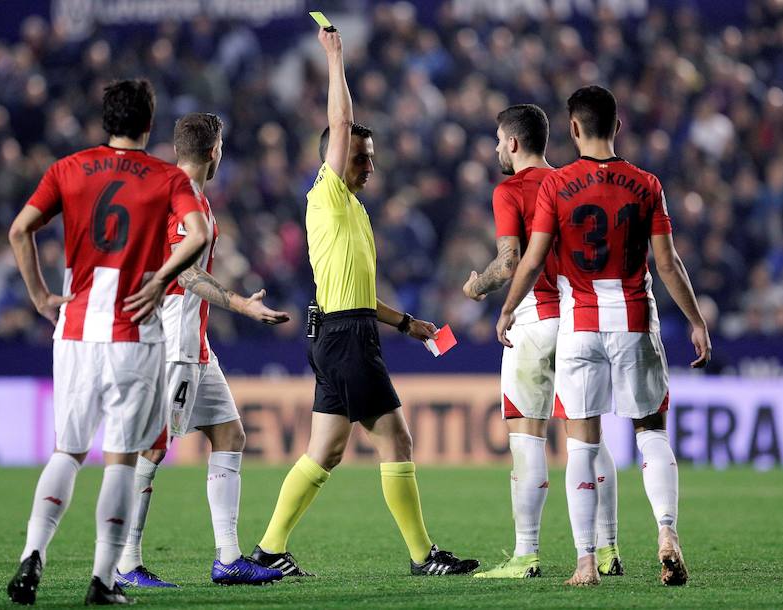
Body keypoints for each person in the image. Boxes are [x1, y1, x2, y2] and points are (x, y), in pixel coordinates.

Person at [247, 26, 478, 578]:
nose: (369, 164)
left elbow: (356, 292)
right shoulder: (326, 193)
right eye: (362, 157)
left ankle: (268, 551)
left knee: (324, 450)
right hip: (344, 338)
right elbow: (342, 122)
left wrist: (408, 324)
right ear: (336, 156)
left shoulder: (353, 208)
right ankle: (424, 557)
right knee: (395, 436)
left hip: (342, 329)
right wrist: (335, 57)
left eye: (371, 157)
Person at [6, 79, 210, 605]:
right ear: (148, 123)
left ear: (105, 121)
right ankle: (102, 579)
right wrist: (162, 277)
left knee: (68, 451)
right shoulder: (166, 177)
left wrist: (39, 296)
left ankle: (33, 553)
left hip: (73, 330)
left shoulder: (66, 169)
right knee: (120, 460)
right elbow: (199, 235)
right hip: (135, 334)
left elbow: (19, 229)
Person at [496, 85, 711, 586]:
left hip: (581, 325)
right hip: (636, 321)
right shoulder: (647, 184)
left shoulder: (557, 184)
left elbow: (530, 260)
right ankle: (666, 533)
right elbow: (668, 263)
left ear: (573, 129)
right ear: (618, 127)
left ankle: (586, 561)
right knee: (651, 434)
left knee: (583, 447)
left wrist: (508, 309)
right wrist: (697, 321)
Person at [115, 112, 289, 588]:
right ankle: (125, 563)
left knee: (231, 436)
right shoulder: (182, 198)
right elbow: (185, 275)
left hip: (195, 346)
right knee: (150, 451)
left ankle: (228, 559)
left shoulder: (177, 193)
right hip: (175, 348)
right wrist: (241, 305)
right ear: (215, 152)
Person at [463, 104, 622, 579]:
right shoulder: (574, 183)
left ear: (513, 142)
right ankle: (609, 550)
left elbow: (510, 262)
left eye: (497, 140)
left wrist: (476, 286)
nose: (495, 148)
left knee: (527, 438)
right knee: (589, 441)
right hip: (580, 322)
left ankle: (526, 555)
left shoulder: (509, 189)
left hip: (533, 323)